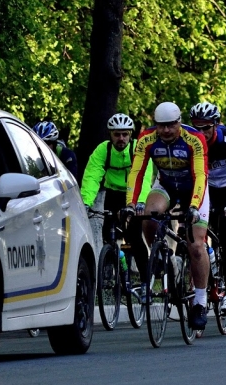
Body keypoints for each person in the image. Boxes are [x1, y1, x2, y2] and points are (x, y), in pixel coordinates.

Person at [125, 102, 212, 330]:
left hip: (194, 189)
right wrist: (130, 204)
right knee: (148, 216)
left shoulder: (194, 139)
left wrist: (194, 206)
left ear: (179, 122)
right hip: (166, 186)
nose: (165, 130)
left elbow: (200, 175)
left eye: (171, 125)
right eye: (161, 126)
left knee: (196, 246)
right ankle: (164, 257)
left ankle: (200, 301)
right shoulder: (146, 138)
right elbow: (137, 172)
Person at [80, 113, 151, 278]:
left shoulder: (137, 149)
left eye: (125, 134)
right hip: (112, 194)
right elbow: (92, 177)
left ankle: (145, 280)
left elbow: (144, 177)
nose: (121, 138)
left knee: (134, 237)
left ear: (130, 134)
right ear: (110, 135)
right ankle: (112, 267)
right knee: (108, 234)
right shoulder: (103, 150)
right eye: (117, 134)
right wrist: (85, 203)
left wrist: (140, 202)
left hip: (133, 195)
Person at [189, 101, 226, 314]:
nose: (201, 133)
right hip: (207, 189)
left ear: (216, 124)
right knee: (193, 231)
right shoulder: (191, 141)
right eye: (197, 128)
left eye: (206, 128)